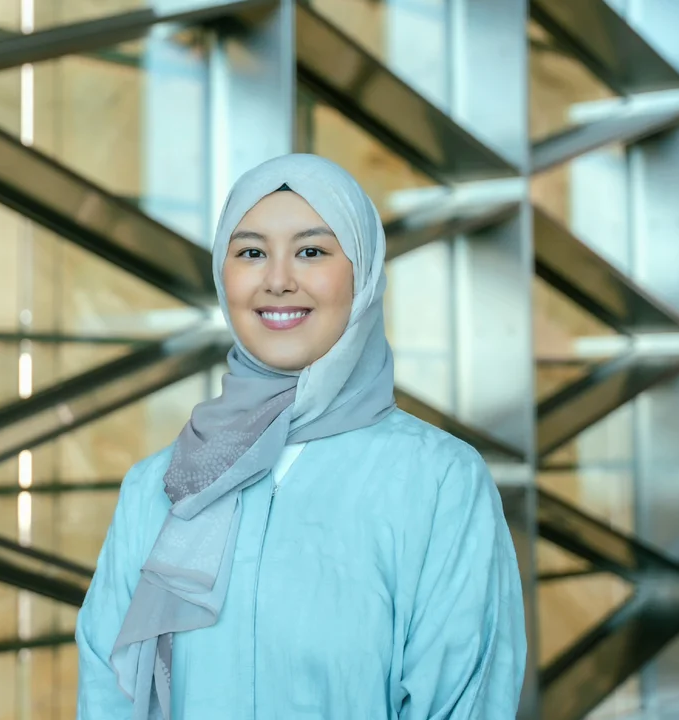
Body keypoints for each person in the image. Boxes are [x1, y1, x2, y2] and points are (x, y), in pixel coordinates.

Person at [75, 154, 526, 719]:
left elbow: (464, 703)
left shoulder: (440, 484)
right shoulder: (159, 489)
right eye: (251, 253)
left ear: (361, 272)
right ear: (223, 275)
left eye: (311, 251)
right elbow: (106, 698)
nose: (279, 280)